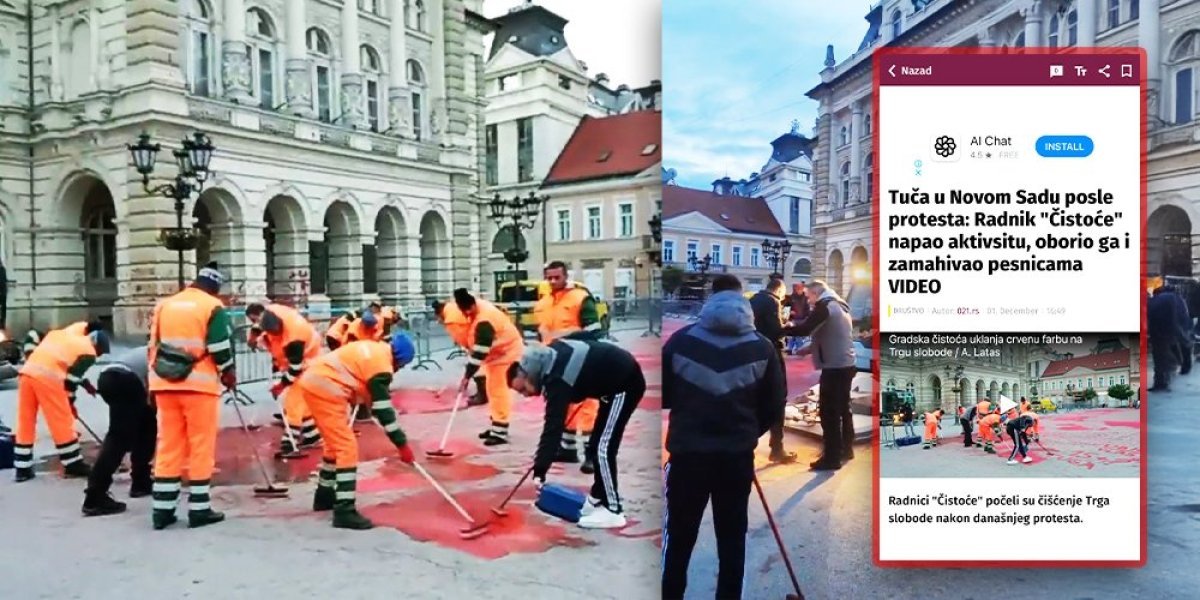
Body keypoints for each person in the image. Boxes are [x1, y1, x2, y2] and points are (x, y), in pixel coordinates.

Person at [661, 274, 786, 600]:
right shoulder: (762, 347)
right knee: (732, 541)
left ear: (710, 298)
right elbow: (774, 405)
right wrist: (745, 432)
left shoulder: (680, 342)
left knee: (678, 540)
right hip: (735, 459)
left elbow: (665, 396)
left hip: (687, 457)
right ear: (742, 302)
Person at [508, 336, 645, 529]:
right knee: (597, 443)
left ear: (528, 374)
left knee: (603, 448)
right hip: (610, 384)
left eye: (523, 389)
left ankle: (613, 510)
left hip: (625, 384)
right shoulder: (550, 355)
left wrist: (540, 470)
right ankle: (598, 497)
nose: (526, 395)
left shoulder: (557, 379)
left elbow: (553, 428)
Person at [290, 335, 417, 529]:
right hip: (327, 389)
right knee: (346, 447)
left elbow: (361, 384)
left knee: (334, 444)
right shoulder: (382, 367)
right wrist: (402, 445)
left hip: (313, 383)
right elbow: (383, 410)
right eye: (402, 365)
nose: (399, 369)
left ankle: (324, 495)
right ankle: (345, 510)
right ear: (399, 358)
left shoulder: (373, 349)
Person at [147, 262, 236, 530]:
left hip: (164, 384)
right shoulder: (212, 307)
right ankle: (199, 509)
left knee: (168, 445)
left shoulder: (165, 305)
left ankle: (162, 511)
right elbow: (219, 346)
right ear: (215, 287)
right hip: (199, 386)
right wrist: (228, 372)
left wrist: (151, 386)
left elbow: (152, 345)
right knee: (200, 445)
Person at [12, 325, 110, 482]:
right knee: (61, 419)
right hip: (48, 379)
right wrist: (70, 405)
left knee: (26, 420)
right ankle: (72, 464)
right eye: (100, 352)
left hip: (27, 374)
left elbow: (61, 360)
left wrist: (84, 383)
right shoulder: (89, 352)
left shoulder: (62, 335)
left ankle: (22, 468)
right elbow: (70, 383)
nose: (97, 356)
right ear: (96, 346)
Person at [534, 261, 602, 472]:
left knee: (587, 405)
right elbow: (542, 331)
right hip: (555, 360)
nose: (553, 281)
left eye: (557, 277)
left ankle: (592, 454)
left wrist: (567, 335)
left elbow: (595, 329)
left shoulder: (580, 298)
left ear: (566, 276)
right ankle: (568, 448)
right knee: (563, 402)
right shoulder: (543, 302)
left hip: (581, 356)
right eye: (550, 278)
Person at [786, 279, 857, 471]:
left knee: (829, 413)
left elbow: (805, 329)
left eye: (809, 296)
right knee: (843, 409)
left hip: (834, 367)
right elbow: (830, 333)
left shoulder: (824, 306)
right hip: (846, 364)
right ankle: (846, 449)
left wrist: (781, 329)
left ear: (816, 293)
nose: (808, 301)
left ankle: (831, 458)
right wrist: (809, 349)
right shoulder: (839, 305)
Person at [82, 344, 157, 516]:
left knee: (146, 426)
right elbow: (153, 390)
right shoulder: (163, 352)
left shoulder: (151, 348)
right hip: (125, 380)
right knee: (119, 437)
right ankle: (95, 496)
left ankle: (141, 481)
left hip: (109, 377)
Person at [246, 302, 323, 457]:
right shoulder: (270, 312)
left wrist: (280, 385)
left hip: (309, 363)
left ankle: (289, 444)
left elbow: (295, 368)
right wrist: (253, 338)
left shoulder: (295, 338)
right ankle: (312, 437)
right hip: (299, 360)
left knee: (293, 402)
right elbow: (258, 324)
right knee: (302, 404)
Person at [453, 289, 524, 446]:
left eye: (467, 311)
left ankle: (500, 430)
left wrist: (466, 377)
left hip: (506, 353)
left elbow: (479, 353)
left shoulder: (485, 321)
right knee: (492, 389)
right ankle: (495, 425)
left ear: (472, 304)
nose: (466, 314)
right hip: (496, 355)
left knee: (499, 391)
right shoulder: (478, 307)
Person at [748, 278, 798, 464]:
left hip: (752, 353)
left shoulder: (753, 299)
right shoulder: (772, 301)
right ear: (779, 290)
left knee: (753, 399)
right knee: (778, 398)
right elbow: (776, 331)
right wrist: (788, 326)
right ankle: (777, 447)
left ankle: (748, 447)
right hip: (771, 354)